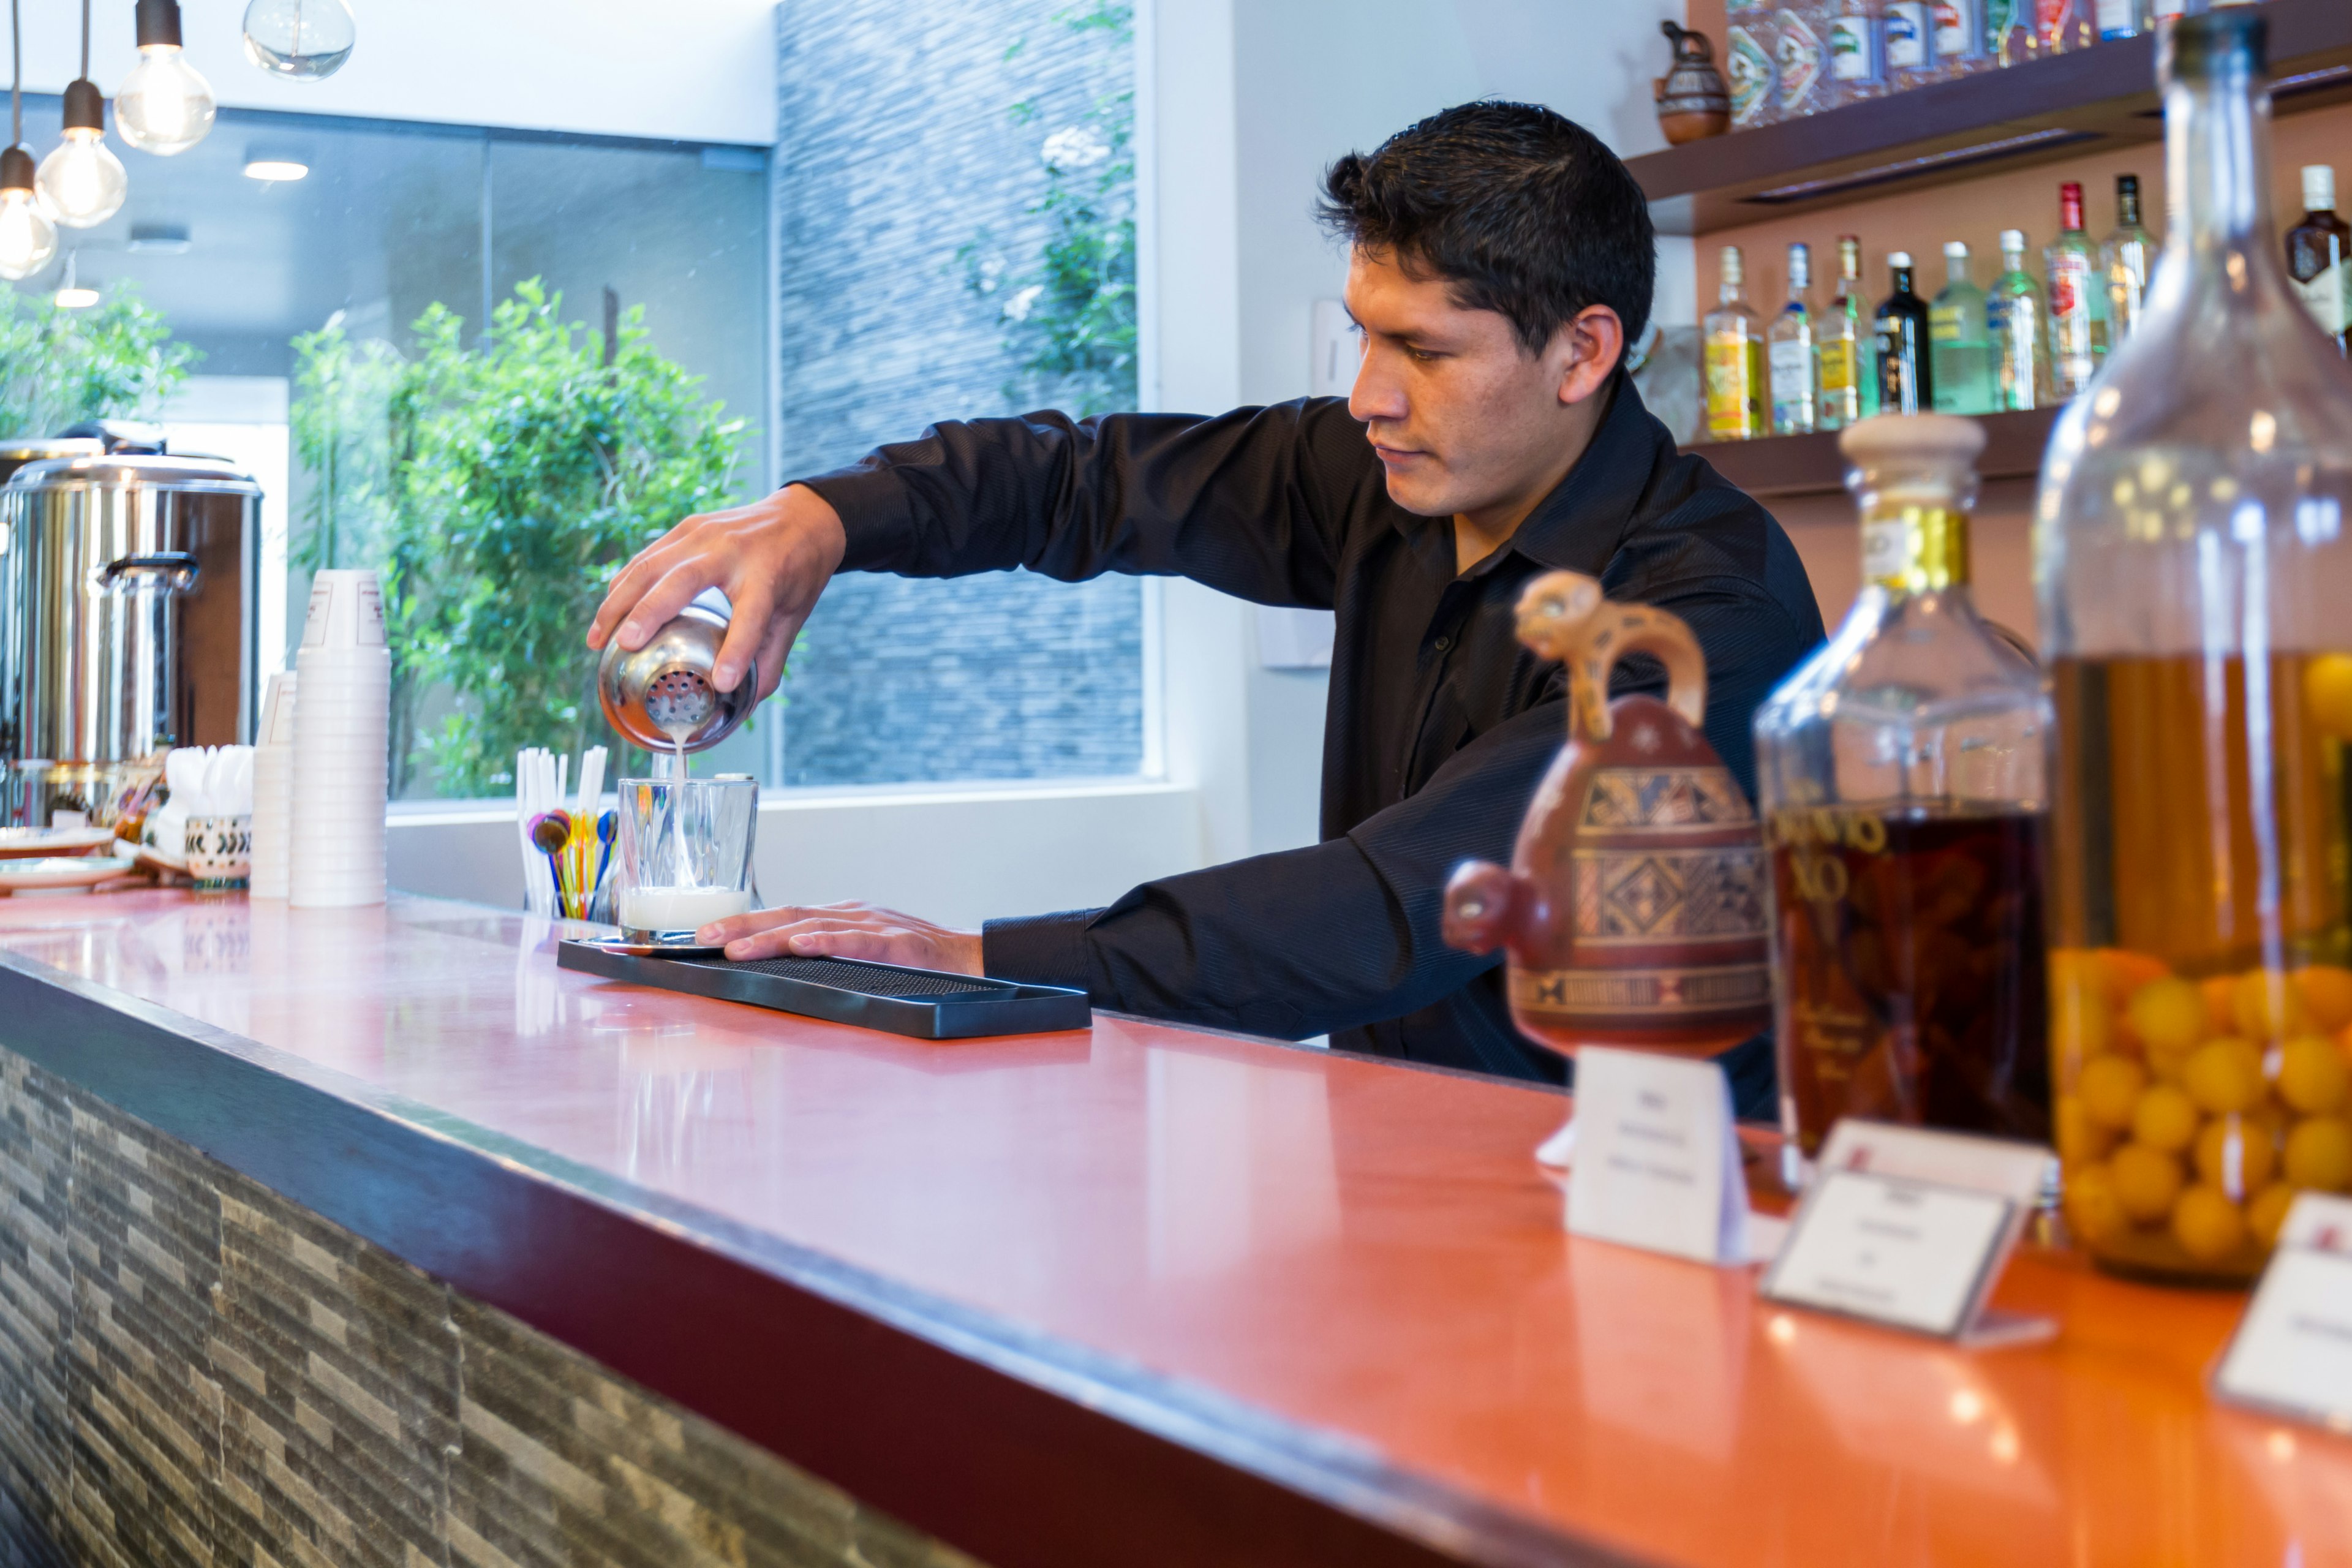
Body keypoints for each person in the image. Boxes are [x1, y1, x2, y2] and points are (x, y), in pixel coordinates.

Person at [588, 100, 1825, 1109]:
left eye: (1425, 351)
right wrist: (829, 518)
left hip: (1654, 1208)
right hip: (1411, 1167)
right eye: (1362, 336)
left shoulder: (1712, 615)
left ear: (1584, 351)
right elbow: (1087, 480)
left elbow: (1399, 900)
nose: (1366, 397)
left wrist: (982, 963)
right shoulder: (1381, 482)